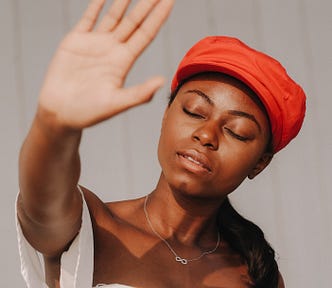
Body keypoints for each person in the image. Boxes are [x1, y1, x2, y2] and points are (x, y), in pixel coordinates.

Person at [16, 0, 306, 287]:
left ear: (260, 163)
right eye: (194, 111)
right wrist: (54, 125)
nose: (206, 135)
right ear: (166, 115)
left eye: (237, 131)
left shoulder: (256, 275)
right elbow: (41, 201)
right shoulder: (90, 226)